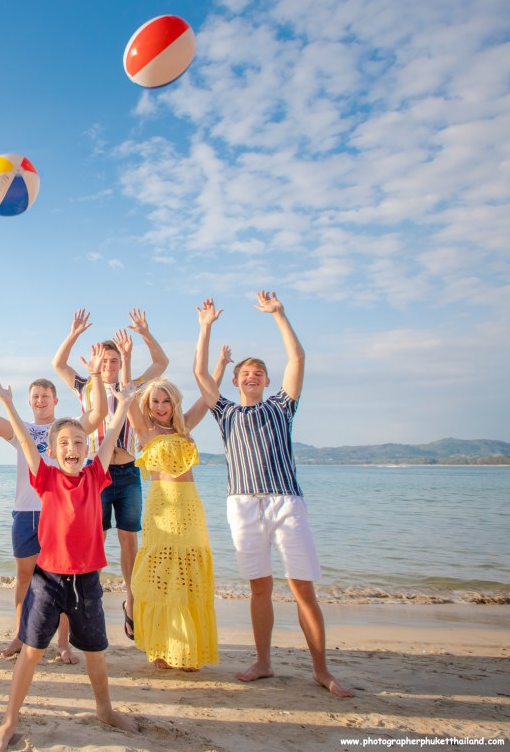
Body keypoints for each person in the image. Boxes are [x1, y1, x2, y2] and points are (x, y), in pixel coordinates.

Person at [194, 293, 354, 697]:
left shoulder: (282, 406)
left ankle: (321, 669)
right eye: (246, 372)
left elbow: (297, 359)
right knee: (259, 587)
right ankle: (264, 662)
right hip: (243, 505)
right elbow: (199, 372)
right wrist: (206, 328)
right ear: (235, 380)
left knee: (302, 588)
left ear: (267, 381)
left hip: (286, 502)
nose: (252, 376)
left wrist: (280, 315)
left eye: (259, 372)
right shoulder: (226, 412)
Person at [0, 353, 139, 751]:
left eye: (79, 442)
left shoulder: (95, 474)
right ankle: (9, 720)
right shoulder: (46, 477)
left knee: (97, 653)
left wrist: (123, 404)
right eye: (64, 443)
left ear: (87, 448)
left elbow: (110, 434)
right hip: (48, 581)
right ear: (52, 450)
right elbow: (20, 436)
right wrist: (6, 401)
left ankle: (104, 709)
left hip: (87, 582)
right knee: (32, 652)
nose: (73, 447)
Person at [0, 353, 104, 662]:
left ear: (55, 400)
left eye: (46, 396)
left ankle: (63, 644)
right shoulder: (23, 429)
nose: (40, 400)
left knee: (63, 578)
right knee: (24, 577)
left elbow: (98, 414)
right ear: (30, 401)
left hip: (61, 514)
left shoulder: (67, 431)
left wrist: (97, 376)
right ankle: (22, 636)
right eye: (35, 396)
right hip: (26, 512)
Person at [51, 307, 167, 642]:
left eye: (114, 361)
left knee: (129, 539)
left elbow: (161, 364)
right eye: (105, 361)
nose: (110, 366)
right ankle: (90, 603)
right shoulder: (87, 386)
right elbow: (58, 364)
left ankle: (131, 604)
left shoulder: (133, 386)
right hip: (95, 473)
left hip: (128, 472)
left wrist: (145, 333)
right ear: (98, 364)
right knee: (94, 539)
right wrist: (73, 333)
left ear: (120, 362)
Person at [126, 374, 225, 671]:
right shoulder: (145, 431)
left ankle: (187, 648)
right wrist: (128, 357)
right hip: (162, 507)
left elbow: (209, 396)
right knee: (162, 576)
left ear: (174, 402)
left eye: (165, 400)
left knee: (188, 575)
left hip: (190, 508)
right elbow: (129, 397)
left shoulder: (185, 428)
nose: (160, 406)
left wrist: (217, 365)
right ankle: (161, 647)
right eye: (155, 401)